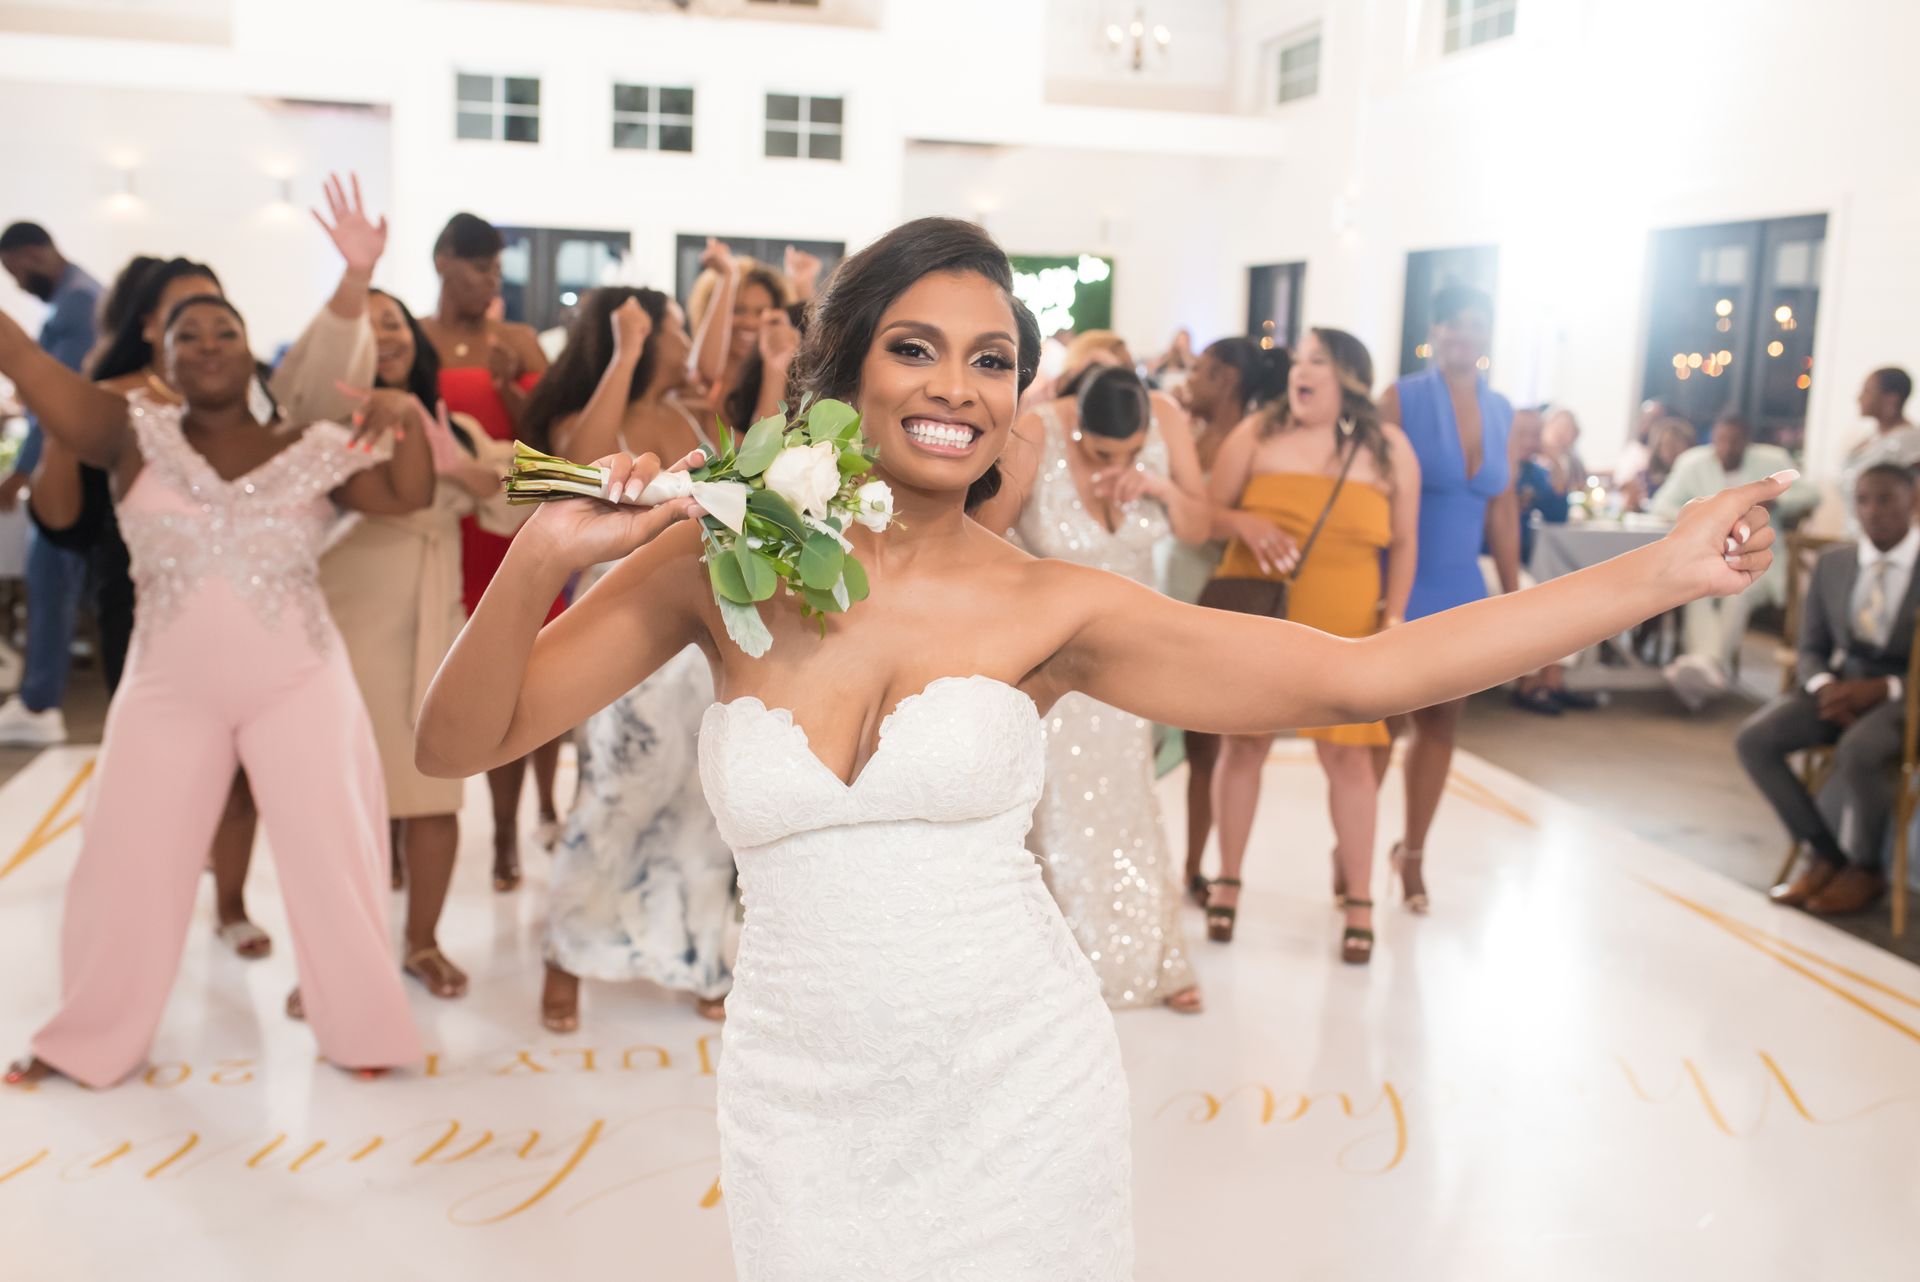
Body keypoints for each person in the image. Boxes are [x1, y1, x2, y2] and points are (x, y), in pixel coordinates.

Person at [414, 216, 1781, 1278]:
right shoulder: (715, 567)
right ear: (844, 371)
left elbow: (1363, 670)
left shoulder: (1050, 607)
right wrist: (543, 553)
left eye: (992, 361)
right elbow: (455, 740)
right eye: (916, 348)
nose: (958, 387)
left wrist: (1654, 574)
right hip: (798, 1103)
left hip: (1018, 1092)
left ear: (1019, 398)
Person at [0, 293, 428, 1088]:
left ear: (248, 348)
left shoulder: (308, 443)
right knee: (123, 857)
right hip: (167, 688)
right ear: (161, 357)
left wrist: (403, 412)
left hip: (300, 681)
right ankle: (85, 1038)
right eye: (186, 335)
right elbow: (22, 359)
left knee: (334, 853)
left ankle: (364, 1030)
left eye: (224, 331)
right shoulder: (129, 433)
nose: (207, 345)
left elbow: (410, 495)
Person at [525, 288, 736, 1030]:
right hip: (623, 622)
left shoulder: (695, 415)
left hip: (704, 622)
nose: (685, 341)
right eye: (675, 328)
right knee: (617, 791)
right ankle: (566, 953)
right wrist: (623, 350)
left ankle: (699, 956)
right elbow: (572, 467)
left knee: (704, 798)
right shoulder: (594, 415)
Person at [317, 286, 516, 1000]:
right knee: (347, 800)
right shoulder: (325, 424)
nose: (386, 336)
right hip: (349, 621)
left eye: (393, 322)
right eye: (368, 328)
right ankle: (336, 955)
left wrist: (461, 469)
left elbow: (513, 500)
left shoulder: (453, 424)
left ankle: (422, 943)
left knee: (434, 794)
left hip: (435, 622)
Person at [1201, 328, 1420, 964]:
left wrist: (1394, 617)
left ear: (1348, 376)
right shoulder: (1256, 434)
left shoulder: (1390, 449)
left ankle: (1359, 900)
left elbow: (1405, 540)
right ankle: (1228, 880)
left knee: (1350, 758)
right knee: (1244, 745)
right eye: (1298, 360)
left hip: (1347, 618)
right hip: (1263, 614)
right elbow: (1203, 515)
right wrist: (1243, 522)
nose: (1300, 370)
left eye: (1316, 360)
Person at [996, 363, 1210, 1011]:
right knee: (1056, 811)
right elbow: (980, 536)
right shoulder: (1035, 433)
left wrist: (1159, 488)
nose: (1115, 465)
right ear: (1077, 426)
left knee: (1131, 800)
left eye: (1129, 453)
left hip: (1136, 657)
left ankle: (1155, 955)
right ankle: (1057, 966)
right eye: (1101, 452)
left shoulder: (1165, 419)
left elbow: (1198, 529)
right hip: (1054, 659)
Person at [417, 211, 559, 891]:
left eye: (498, 271)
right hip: (444, 531)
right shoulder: (414, 339)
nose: (490, 283)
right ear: (443, 261)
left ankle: (510, 830)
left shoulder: (521, 341)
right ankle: (406, 824)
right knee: (431, 679)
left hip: (516, 528)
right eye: (479, 268)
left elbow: (557, 441)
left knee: (524, 681)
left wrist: (508, 385)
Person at [1374, 282, 1518, 912]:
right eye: (1453, 324)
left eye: (1475, 324)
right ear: (1434, 331)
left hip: (1463, 587)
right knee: (1382, 724)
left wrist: (1512, 596)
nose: (1464, 335)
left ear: (1488, 334)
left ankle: (1412, 855)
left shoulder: (1502, 409)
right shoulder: (1400, 398)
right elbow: (1370, 490)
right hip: (1403, 580)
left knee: (1441, 724)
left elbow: (1503, 510)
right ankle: (1353, 847)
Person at [1738, 462, 1919, 917]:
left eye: (1885, 499)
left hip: (1907, 697)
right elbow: (1811, 646)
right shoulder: (1835, 564)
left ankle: (1868, 870)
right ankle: (1825, 854)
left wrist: (1884, 688)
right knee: (1755, 739)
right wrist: (1824, 687)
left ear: (1913, 502)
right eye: (1863, 500)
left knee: (1860, 748)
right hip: (1839, 687)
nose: (1872, 511)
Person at [1168, 337, 1290, 901]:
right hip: (1167, 580)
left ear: (1227, 379)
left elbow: (1220, 517)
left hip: (1214, 589)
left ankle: (1197, 866)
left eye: (1202, 370)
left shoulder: (1252, 438)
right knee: (1170, 735)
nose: (1190, 378)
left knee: (1206, 742)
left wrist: (1237, 522)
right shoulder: (1188, 431)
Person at [0, 221, 102, 747]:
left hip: (70, 467)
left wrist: (21, 472)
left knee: (50, 576)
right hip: (74, 461)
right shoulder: (78, 297)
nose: (16, 283)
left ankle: (40, 702)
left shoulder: (77, 304)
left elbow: (56, 402)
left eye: (14, 271)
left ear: (32, 254)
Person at [1656, 411, 1818, 709]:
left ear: (1747, 441)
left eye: (1735, 441)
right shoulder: (1692, 463)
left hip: (1759, 560)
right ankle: (1709, 666)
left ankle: (1706, 666)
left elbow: (1811, 494)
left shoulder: (1772, 462)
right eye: (1721, 440)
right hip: (1708, 556)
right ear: (1713, 439)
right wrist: (1698, 516)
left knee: (1738, 592)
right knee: (1696, 587)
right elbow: (1662, 504)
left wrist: (1777, 502)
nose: (1728, 447)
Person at [1836, 367, 1918, 526]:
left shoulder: (1911, 442)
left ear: (1891, 399)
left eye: (1867, 391)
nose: (1859, 398)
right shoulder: (1867, 438)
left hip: (1888, 535)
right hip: (1857, 532)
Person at [1620, 415, 1697, 513]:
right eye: (1663, 445)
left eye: (1673, 444)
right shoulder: (1644, 478)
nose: (1669, 451)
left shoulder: (1694, 477)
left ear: (1688, 445)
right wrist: (1633, 503)